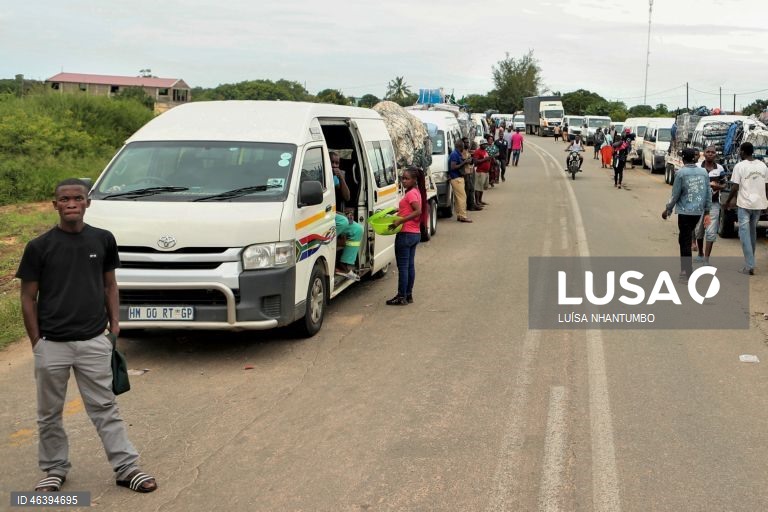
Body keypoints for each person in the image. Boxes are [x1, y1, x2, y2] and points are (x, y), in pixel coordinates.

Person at [16, 178, 158, 494]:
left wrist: (115, 326)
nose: (70, 203)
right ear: (54, 204)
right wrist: (36, 342)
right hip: (52, 344)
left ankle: (127, 468)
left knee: (105, 408)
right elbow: (28, 296)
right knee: (49, 414)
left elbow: (110, 285)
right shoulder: (39, 247)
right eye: (63, 199)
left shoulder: (102, 240)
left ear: (87, 203)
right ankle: (54, 470)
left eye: (77, 198)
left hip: (94, 339)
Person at [662, 148, 711, 282]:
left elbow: (675, 195)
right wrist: (707, 211)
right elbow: (708, 193)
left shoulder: (681, 173)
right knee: (684, 238)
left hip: (684, 212)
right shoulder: (703, 173)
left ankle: (686, 272)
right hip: (697, 212)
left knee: (684, 241)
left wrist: (668, 210)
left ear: (683, 159)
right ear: (694, 159)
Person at [724, 142, 768, 275]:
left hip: (745, 204)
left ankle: (749, 265)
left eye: (739, 151)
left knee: (744, 234)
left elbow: (735, 186)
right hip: (759, 204)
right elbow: (766, 186)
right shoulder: (763, 166)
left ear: (742, 152)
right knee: (752, 232)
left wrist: (728, 201)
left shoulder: (739, 166)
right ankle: (750, 262)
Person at [386, 167, 428, 305]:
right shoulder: (415, 192)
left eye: (406, 178)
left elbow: (417, 211)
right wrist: (399, 211)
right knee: (409, 266)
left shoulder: (410, 194)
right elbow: (411, 209)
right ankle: (408, 295)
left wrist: (400, 220)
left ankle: (401, 296)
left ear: (414, 180)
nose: (403, 181)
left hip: (406, 234)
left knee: (403, 267)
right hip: (414, 234)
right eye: (402, 178)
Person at [331, 152, 363, 280]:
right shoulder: (320, 176)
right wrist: (340, 214)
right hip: (323, 215)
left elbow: (347, 196)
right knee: (343, 221)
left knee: (357, 229)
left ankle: (344, 263)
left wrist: (342, 178)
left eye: (337, 163)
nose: (334, 166)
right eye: (332, 162)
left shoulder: (335, 178)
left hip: (334, 215)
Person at [693, 146, 726, 266]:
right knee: (698, 231)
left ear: (716, 155)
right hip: (698, 204)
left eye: (713, 152)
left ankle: (706, 259)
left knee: (711, 232)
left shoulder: (720, 168)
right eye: (708, 152)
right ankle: (700, 254)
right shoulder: (697, 167)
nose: (710, 154)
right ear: (704, 154)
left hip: (714, 204)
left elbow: (724, 185)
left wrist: (717, 187)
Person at [448, 139, 473, 223]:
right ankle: (463, 216)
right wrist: (465, 162)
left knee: (458, 198)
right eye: (463, 146)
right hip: (456, 178)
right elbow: (453, 167)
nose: (464, 147)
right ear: (460, 146)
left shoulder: (457, 154)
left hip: (457, 178)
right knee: (462, 197)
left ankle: (459, 215)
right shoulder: (454, 154)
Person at [461, 137, 479, 211]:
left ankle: (472, 204)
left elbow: (470, 161)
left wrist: (471, 160)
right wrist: (470, 160)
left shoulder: (467, 151)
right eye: (466, 142)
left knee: (471, 189)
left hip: (469, 172)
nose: (467, 144)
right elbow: (465, 161)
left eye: (468, 142)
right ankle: (470, 206)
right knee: (468, 190)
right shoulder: (462, 151)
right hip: (465, 173)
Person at [473, 140, 493, 206]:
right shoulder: (477, 152)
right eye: (484, 144)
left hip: (486, 172)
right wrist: (485, 160)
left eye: (486, 144)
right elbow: (475, 162)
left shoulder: (485, 151)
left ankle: (480, 200)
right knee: (478, 187)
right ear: (480, 145)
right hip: (480, 172)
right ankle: (477, 201)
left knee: (482, 187)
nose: (485, 145)